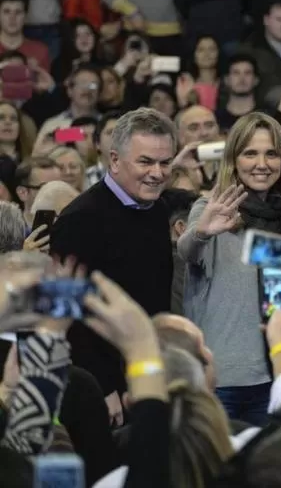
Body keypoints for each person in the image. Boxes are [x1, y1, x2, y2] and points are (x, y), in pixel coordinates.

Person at [49, 107, 178, 427]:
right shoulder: (79, 220)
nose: (158, 173)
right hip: (103, 386)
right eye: (146, 162)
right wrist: (102, 386)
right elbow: (70, 314)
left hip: (147, 371)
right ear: (115, 160)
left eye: (165, 163)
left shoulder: (157, 208)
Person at [179, 112, 281, 426]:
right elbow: (187, 251)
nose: (262, 163)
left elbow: (277, 297)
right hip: (221, 380)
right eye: (250, 153)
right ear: (233, 159)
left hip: (272, 374)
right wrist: (203, 232)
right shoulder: (211, 208)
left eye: (271, 153)